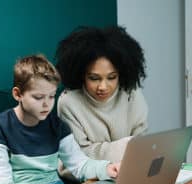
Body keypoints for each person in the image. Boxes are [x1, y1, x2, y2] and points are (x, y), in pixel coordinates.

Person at [0, 54, 120, 184]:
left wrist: (107, 168)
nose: (47, 105)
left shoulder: (57, 125)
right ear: (18, 94)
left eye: (51, 96)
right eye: (38, 98)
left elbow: (79, 165)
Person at [55, 26, 148, 164]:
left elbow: (141, 145)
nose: (103, 87)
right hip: (88, 177)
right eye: (94, 78)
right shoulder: (68, 102)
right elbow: (78, 156)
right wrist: (126, 146)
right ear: (81, 75)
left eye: (111, 77)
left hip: (129, 169)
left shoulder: (132, 93)